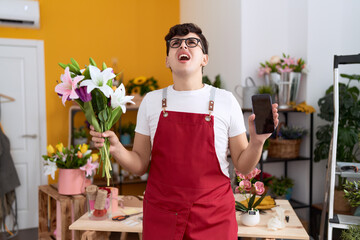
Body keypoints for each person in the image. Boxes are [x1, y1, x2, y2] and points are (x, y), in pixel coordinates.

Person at [90, 23, 279, 240]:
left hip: (213, 217)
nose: (183, 47)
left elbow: (243, 167)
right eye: (175, 44)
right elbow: (140, 164)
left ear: (204, 59)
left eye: (192, 43)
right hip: (162, 215)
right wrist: (116, 148)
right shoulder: (152, 102)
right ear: (167, 60)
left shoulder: (225, 101)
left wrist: (256, 142)